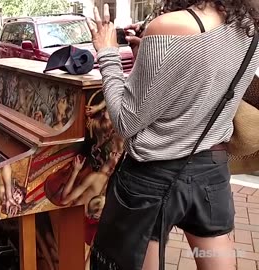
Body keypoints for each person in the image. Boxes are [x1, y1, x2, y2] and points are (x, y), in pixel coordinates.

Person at [87, 1, 259, 270]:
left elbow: (126, 121)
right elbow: (203, 78)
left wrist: (107, 53)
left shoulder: (169, 26)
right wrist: (148, 54)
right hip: (211, 172)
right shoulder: (251, 28)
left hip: (152, 177)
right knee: (214, 260)